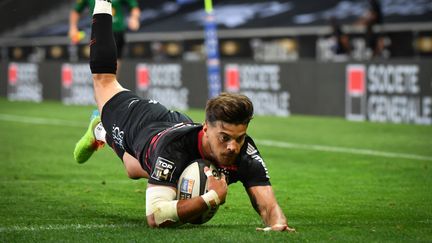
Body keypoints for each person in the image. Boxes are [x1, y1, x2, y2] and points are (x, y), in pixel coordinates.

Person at [74, 0, 295, 231]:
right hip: (137, 122)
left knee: (134, 169)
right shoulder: (173, 149)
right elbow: (156, 217)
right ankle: (101, 128)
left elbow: (268, 204)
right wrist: (211, 198)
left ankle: (102, 133)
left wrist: (278, 222)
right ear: (206, 129)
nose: (233, 147)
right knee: (104, 80)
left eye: (239, 138)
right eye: (225, 138)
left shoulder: (244, 150)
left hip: (176, 125)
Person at [69, 0, 140, 71]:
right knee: (97, 70)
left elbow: (134, 7)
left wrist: (134, 18)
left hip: (116, 33)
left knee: (113, 70)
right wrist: (73, 28)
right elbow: (76, 11)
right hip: (97, 33)